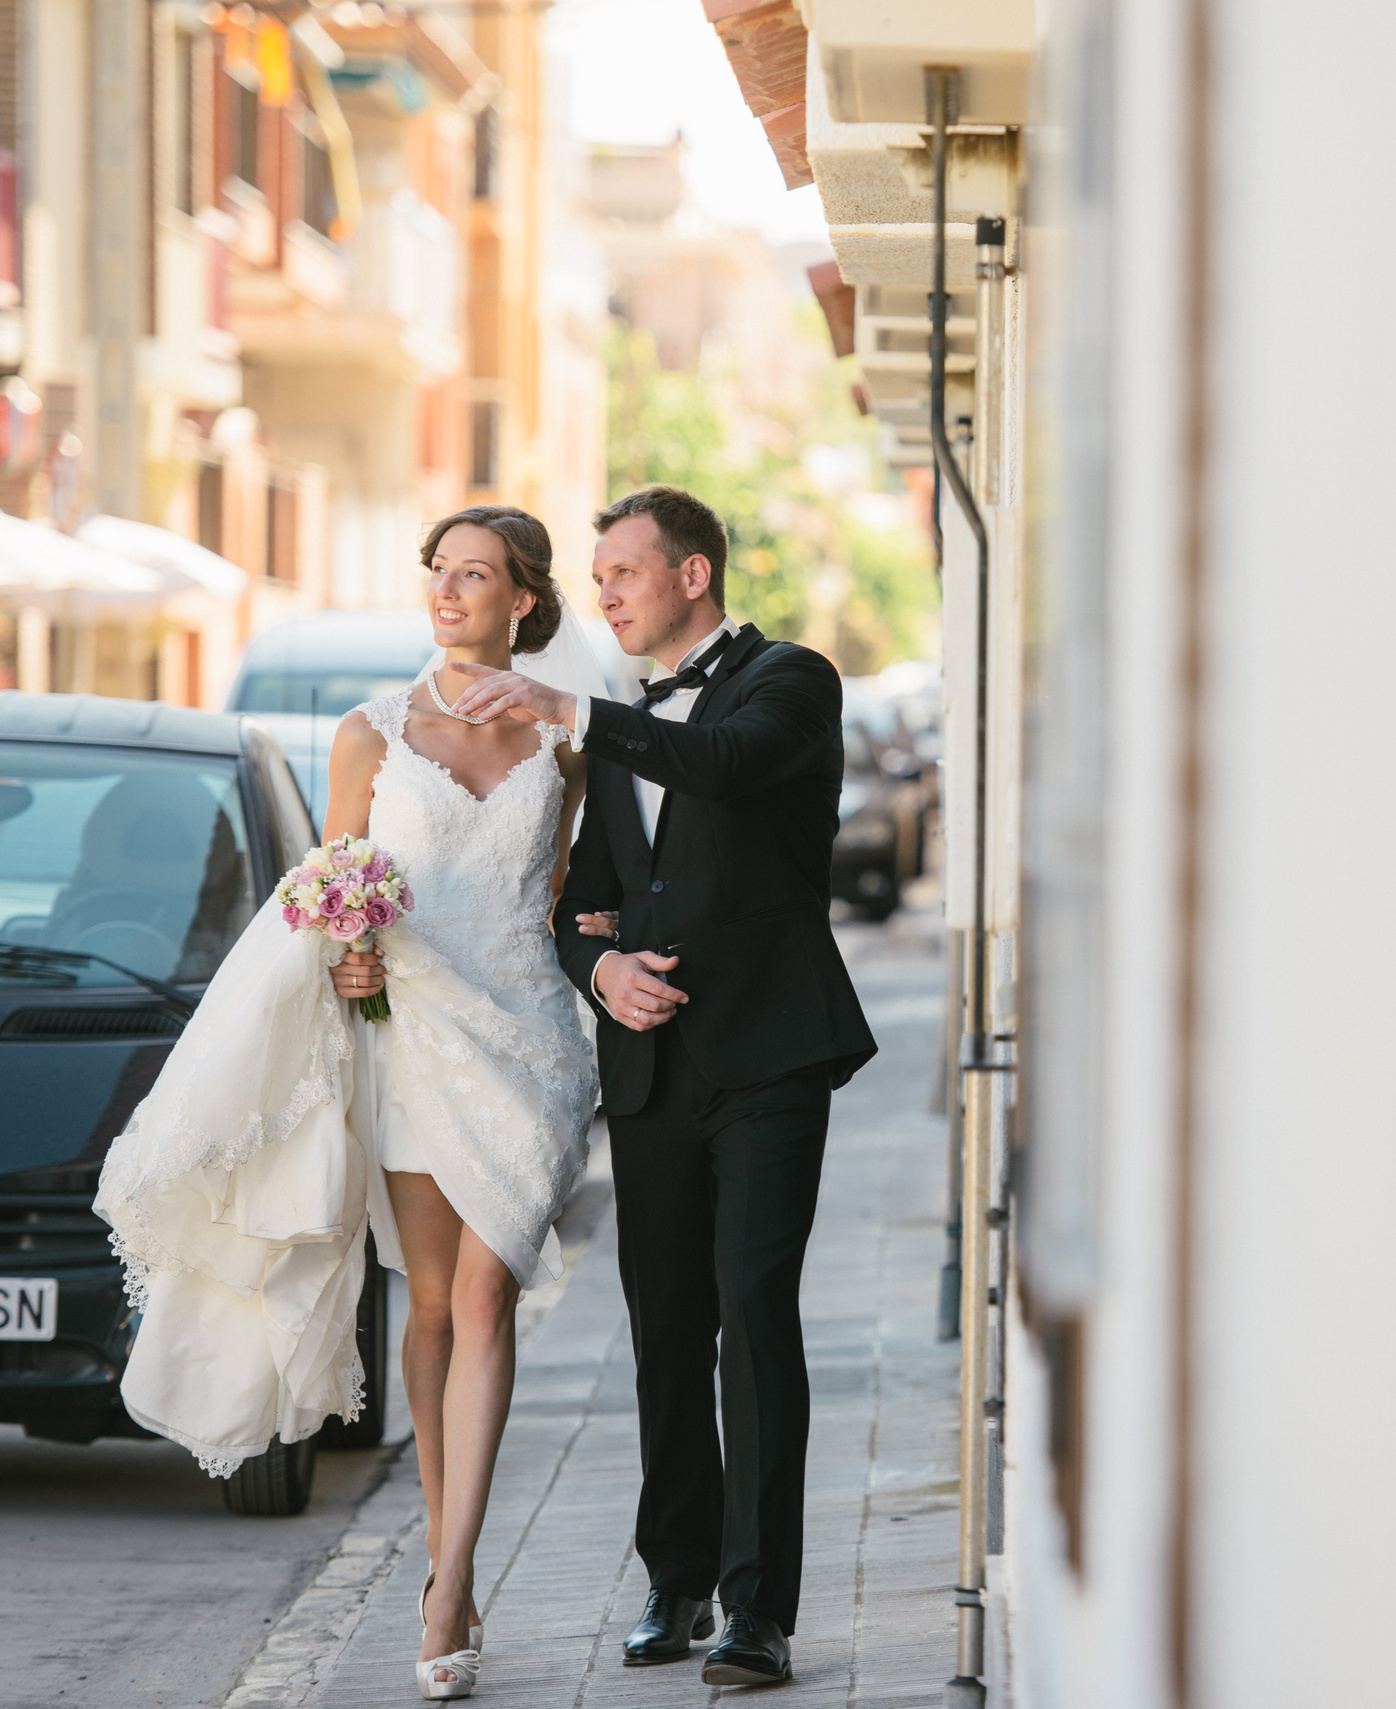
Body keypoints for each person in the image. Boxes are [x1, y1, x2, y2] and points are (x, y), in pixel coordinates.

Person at [97, 505, 611, 1703]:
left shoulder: (565, 742)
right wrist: (351, 954)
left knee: (489, 1293)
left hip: (528, 1037)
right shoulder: (368, 733)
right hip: (411, 1037)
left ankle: (449, 1574)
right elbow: (333, 888)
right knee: (430, 1308)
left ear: (521, 601)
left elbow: (569, 890)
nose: (448, 592)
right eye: (438, 573)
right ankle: (451, 1566)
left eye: (474, 576)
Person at [442, 484, 877, 1687]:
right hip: (650, 1069)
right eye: (599, 579)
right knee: (666, 1329)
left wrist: (573, 709)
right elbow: (581, 897)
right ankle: (675, 1577)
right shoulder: (614, 722)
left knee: (756, 1315)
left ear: (692, 574)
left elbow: (725, 764)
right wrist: (602, 966)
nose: (607, 596)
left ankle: (757, 1609)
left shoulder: (792, 680)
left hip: (770, 1055)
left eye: (624, 573)